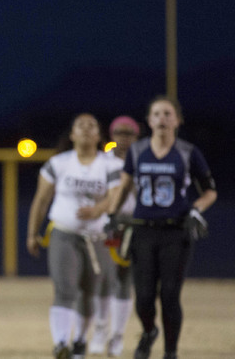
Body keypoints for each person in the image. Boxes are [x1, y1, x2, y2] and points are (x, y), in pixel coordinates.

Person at [108, 96, 217, 359]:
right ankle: (148, 332)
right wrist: (112, 214)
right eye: (156, 114)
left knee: (169, 294)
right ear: (148, 120)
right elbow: (124, 187)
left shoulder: (188, 152)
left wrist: (196, 209)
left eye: (168, 114)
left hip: (175, 231)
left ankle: (170, 352)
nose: (162, 119)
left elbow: (210, 192)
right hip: (143, 230)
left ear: (178, 120)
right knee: (144, 296)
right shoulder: (137, 151)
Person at [26, 113, 122, 359]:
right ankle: (60, 343)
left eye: (92, 126)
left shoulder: (109, 165)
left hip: (96, 237)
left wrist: (97, 210)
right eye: (81, 125)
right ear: (72, 134)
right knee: (65, 288)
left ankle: (80, 339)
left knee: (89, 292)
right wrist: (32, 233)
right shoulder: (59, 163)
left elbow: (114, 195)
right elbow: (41, 200)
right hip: (64, 234)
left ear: (99, 135)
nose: (87, 130)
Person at [88, 116, 140, 356]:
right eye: (119, 132)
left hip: (133, 224)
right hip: (107, 223)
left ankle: (117, 336)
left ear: (136, 136)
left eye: (129, 133)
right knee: (103, 278)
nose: (124, 137)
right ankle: (100, 329)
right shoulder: (102, 162)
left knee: (124, 280)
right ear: (111, 135)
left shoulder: (143, 159)